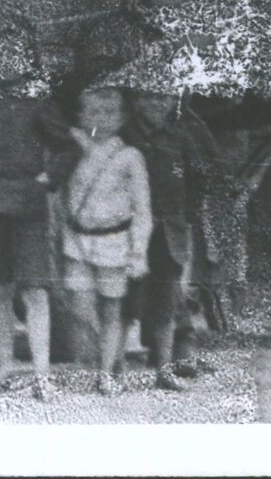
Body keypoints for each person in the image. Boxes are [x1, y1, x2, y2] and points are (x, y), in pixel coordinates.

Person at [0, 79, 75, 401]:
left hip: (27, 205)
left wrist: (49, 178)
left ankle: (42, 373)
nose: (2, 61)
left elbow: (68, 145)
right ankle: (4, 366)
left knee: (36, 289)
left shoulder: (37, 100)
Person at [125, 88, 230, 390]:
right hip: (130, 228)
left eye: (163, 97)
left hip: (170, 227)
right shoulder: (126, 135)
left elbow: (200, 175)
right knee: (125, 299)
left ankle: (164, 367)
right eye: (147, 97)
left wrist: (188, 214)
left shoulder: (182, 134)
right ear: (135, 100)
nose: (155, 103)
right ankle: (114, 368)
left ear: (174, 100)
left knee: (166, 299)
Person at [60, 85, 153, 396]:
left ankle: (106, 371)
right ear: (81, 116)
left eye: (110, 112)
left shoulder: (130, 157)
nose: (102, 118)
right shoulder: (70, 150)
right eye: (94, 112)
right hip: (78, 240)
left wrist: (138, 252)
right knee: (79, 305)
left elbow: (142, 210)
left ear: (123, 117)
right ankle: (96, 362)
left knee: (112, 309)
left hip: (115, 242)